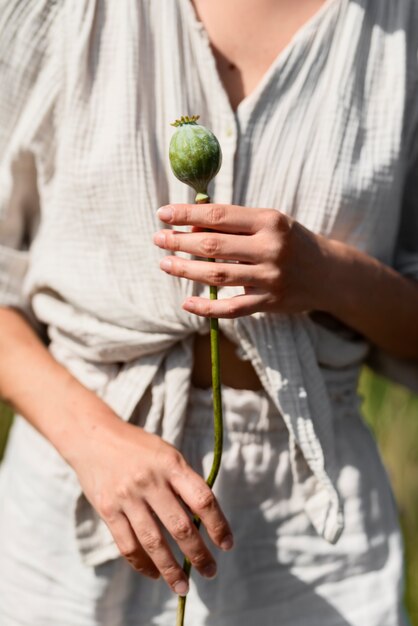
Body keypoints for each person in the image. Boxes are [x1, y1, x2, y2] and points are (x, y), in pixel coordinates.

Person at [0, 0, 417, 624]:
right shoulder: (57, 9)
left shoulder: (402, 29)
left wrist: (326, 273)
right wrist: (94, 441)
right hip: (74, 494)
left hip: (308, 528)